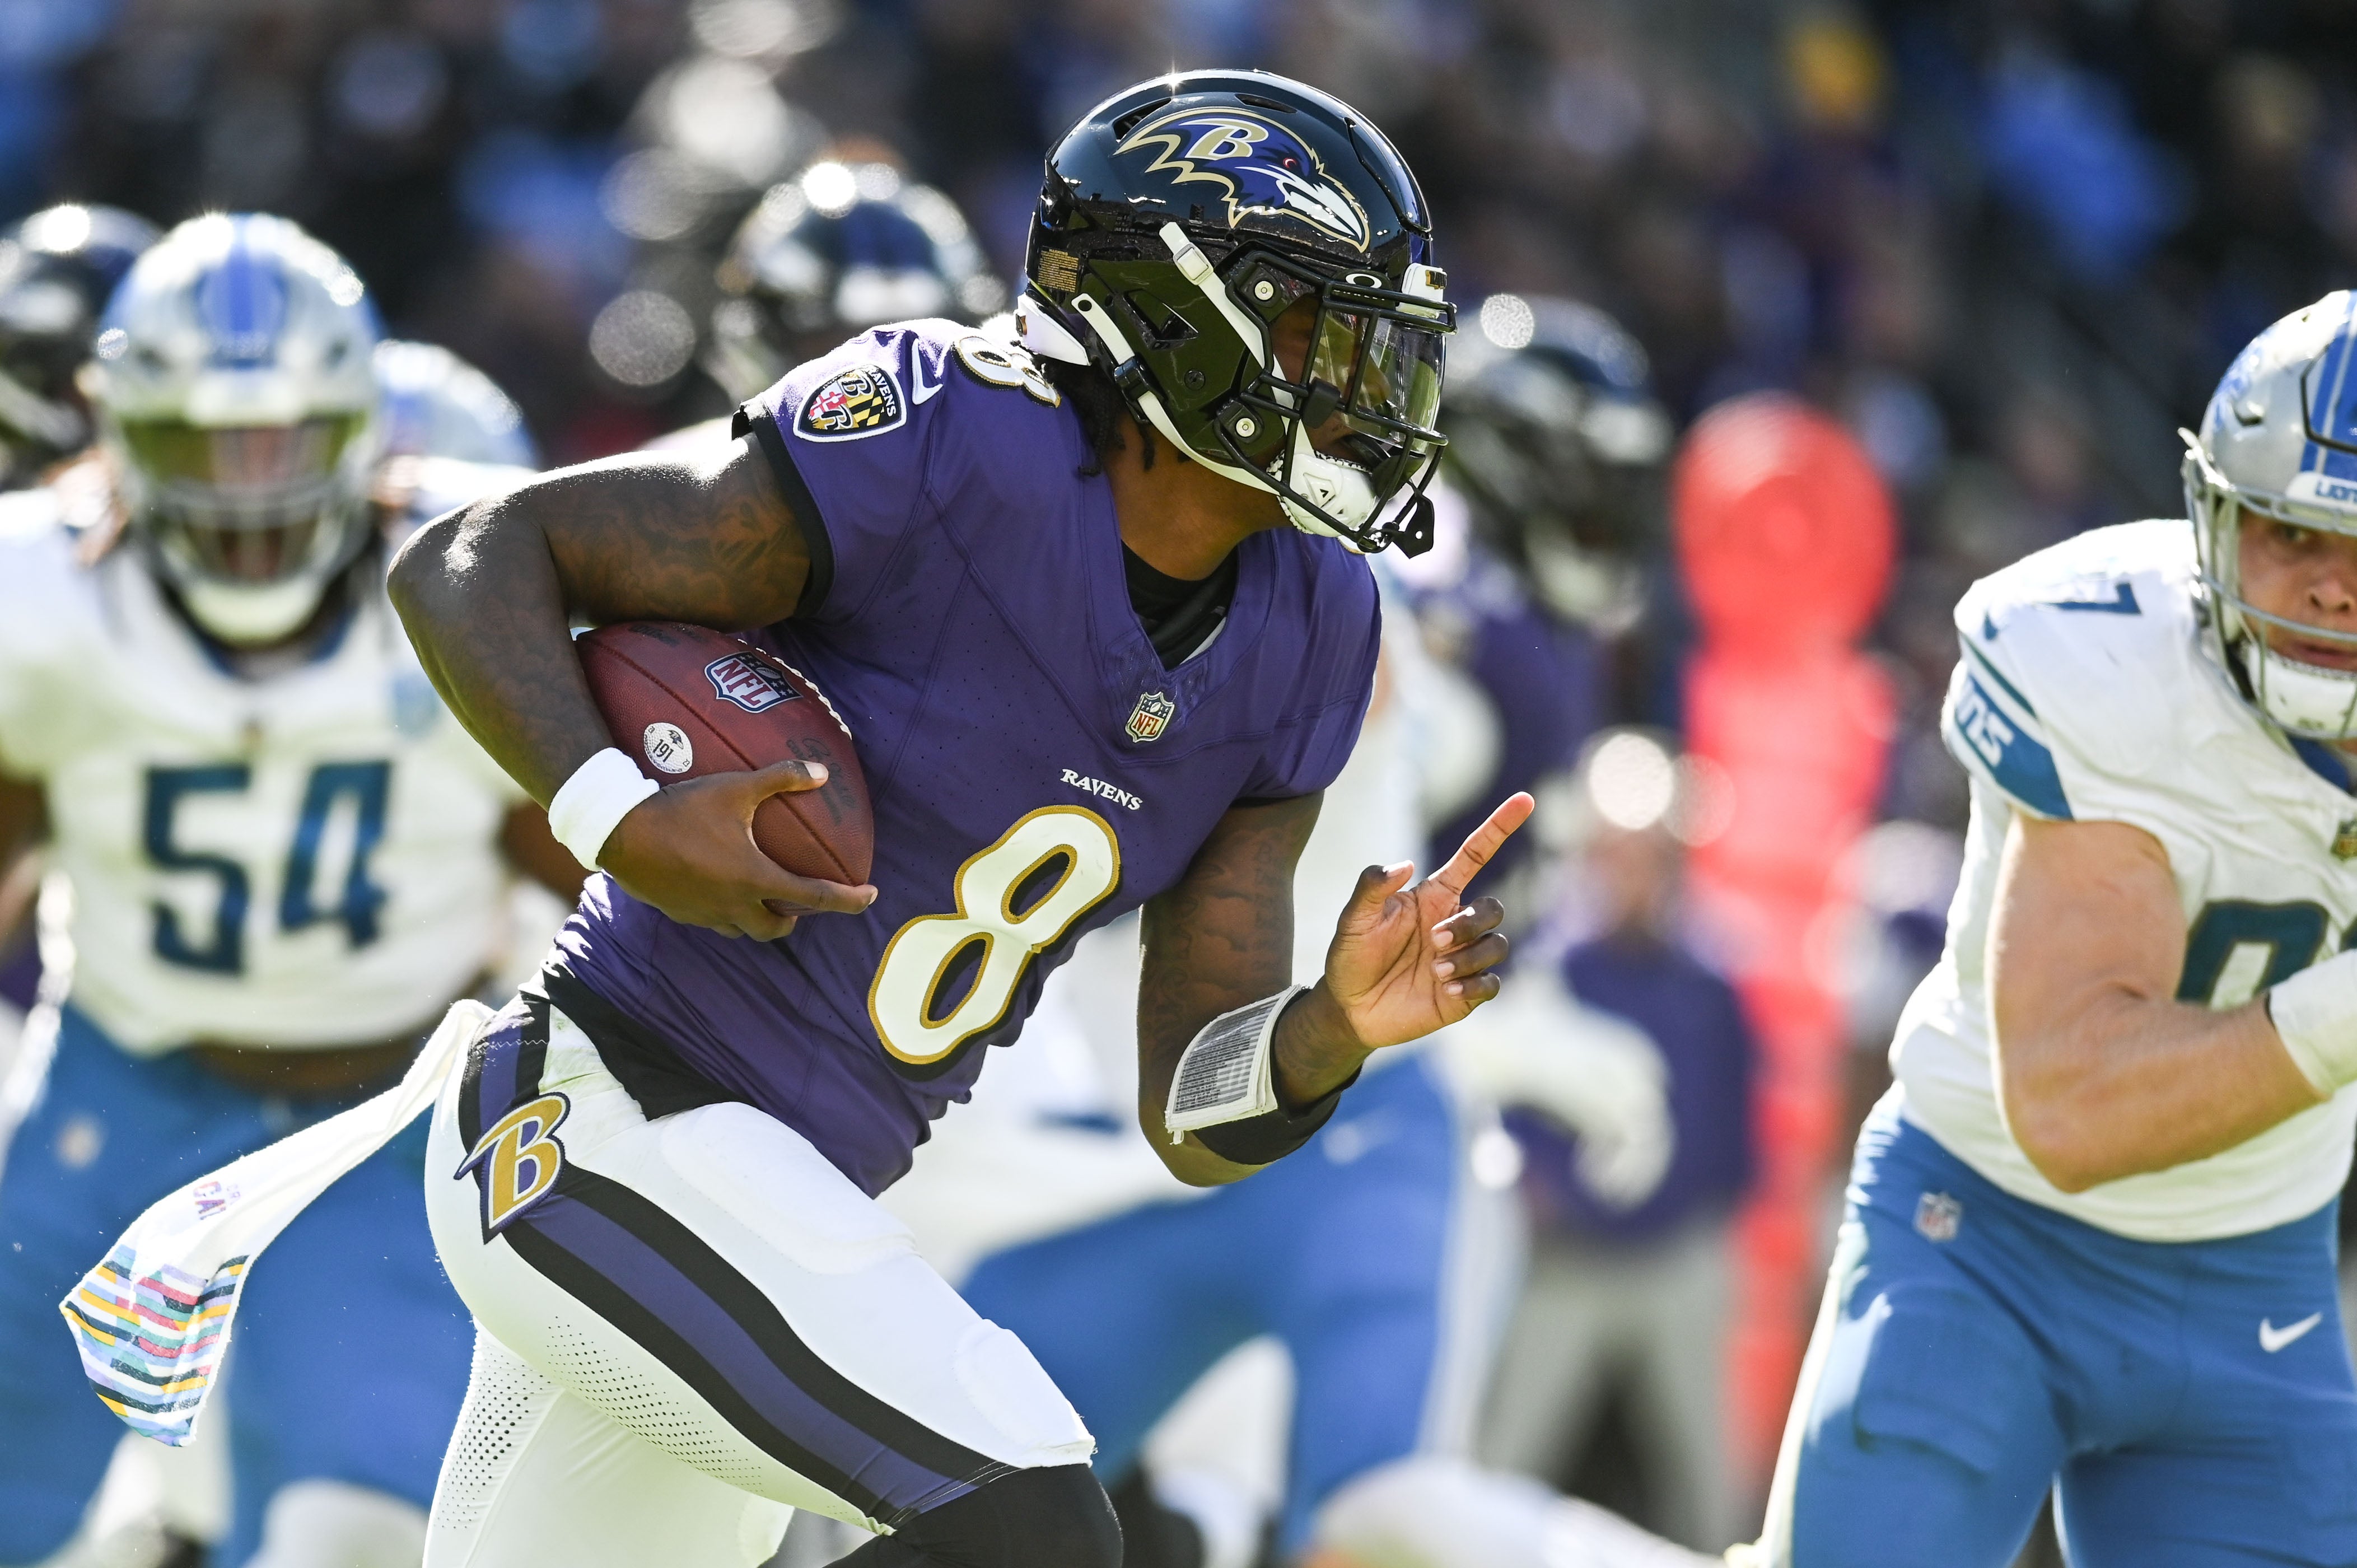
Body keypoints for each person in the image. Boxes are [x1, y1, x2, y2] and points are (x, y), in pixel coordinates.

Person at [379, 69, 1524, 1568]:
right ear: (1176, 320)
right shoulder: (945, 436)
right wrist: (619, 814)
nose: (1366, 382)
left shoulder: (1315, 620)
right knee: (1030, 1517)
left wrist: (1328, 1030)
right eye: (1321, 330)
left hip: (783, 1189)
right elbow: (476, 558)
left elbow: (1194, 1105)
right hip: (607, 1111)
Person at [0, 212, 578, 1568]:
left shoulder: (468, 579)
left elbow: (601, 868)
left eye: (283, 442)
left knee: (356, 1536)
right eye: (204, 446)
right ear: (116, 433)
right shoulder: (41, 597)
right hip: (122, 1088)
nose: (248, 492)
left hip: (380, 1120)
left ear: (366, 426)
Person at [1749, 291, 2357, 1565]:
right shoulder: (2107, 655)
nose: (2329, 590)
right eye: (2287, 534)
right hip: (1982, 1241)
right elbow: (2073, 1108)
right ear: (2212, 520)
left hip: (2252, 1283)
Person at [1472, 729, 1756, 1553]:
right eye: (1615, 851)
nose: (1628, 871)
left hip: (1677, 1264)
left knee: (1708, 1479)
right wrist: (1546, 1196)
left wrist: (1698, 1224)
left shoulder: (1711, 982)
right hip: (1567, 1266)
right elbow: (1515, 1115)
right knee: (1502, 1458)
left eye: (1646, 853)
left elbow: (1731, 1132)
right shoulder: (1549, 972)